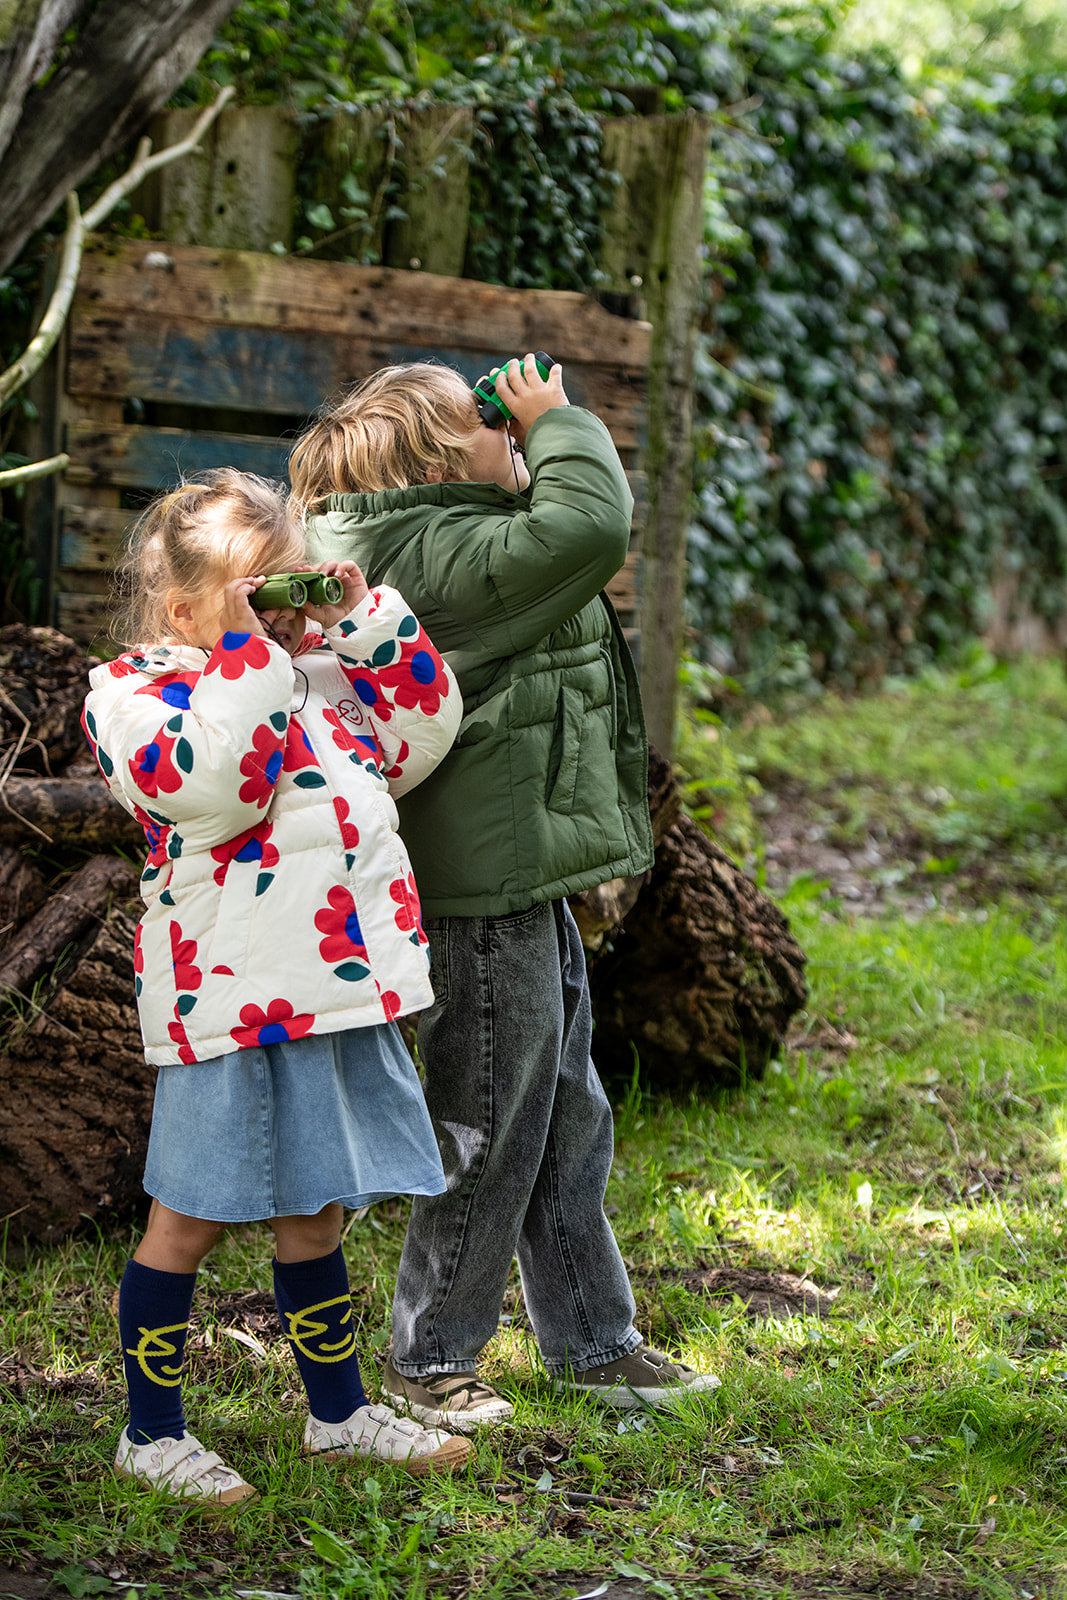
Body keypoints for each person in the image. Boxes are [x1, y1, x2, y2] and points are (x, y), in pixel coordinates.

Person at [288, 356, 720, 1432]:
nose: (512, 429)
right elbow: (589, 530)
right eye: (486, 423)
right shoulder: (431, 549)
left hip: (516, 872)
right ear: (437, 463)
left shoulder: (444, 535)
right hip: (475, 893)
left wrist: (522, 443)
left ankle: (591, 1337)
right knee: (485, 1121)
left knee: (564, 1109)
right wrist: (558, 418)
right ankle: (431, 1355)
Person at [82, 468, 471, 1505]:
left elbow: (421, 736)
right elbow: (211, 787)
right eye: (266, 592)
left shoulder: (319, 682)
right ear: (186, 609)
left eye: (299, 586)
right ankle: (150, 1432)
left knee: (319, 1212)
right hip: (226, 1003)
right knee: (190, 1218)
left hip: (335, 991)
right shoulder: (134, 695)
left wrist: (362, 621)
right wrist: (255, 656)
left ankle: (337, 1415)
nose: (288, 612)